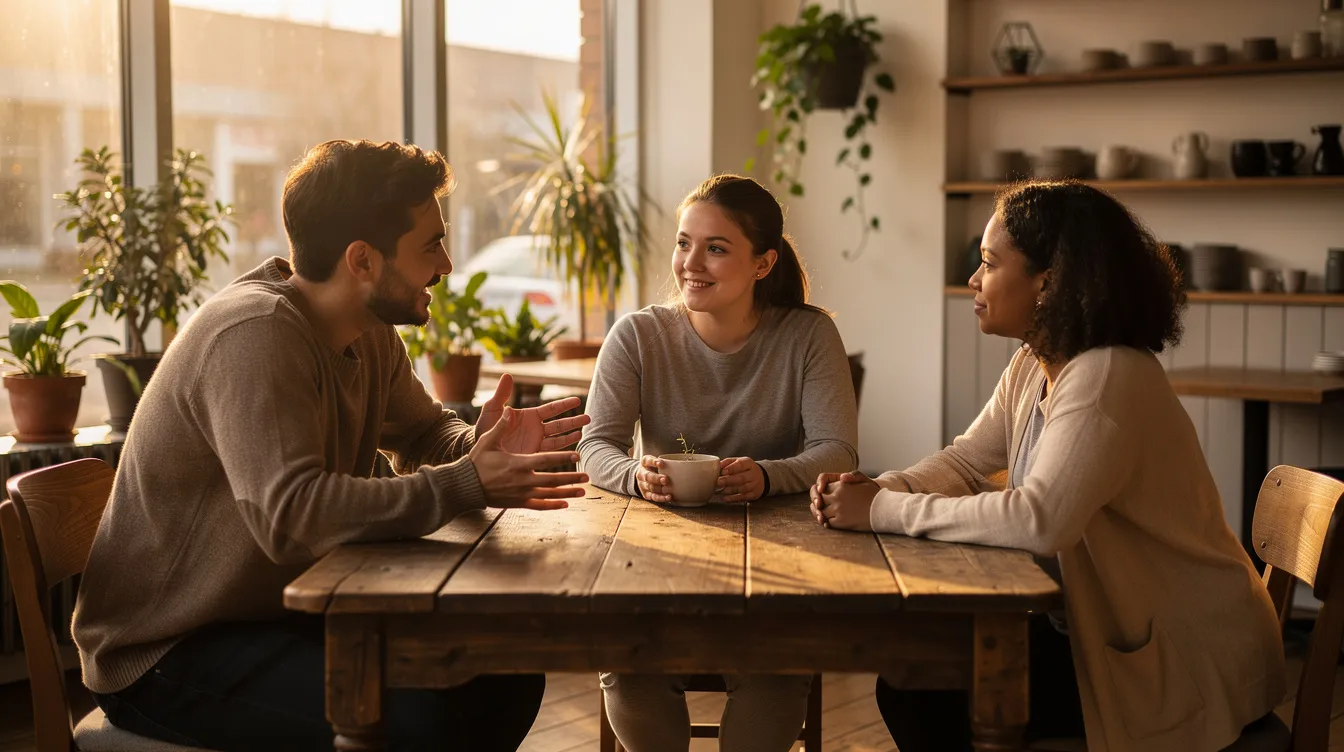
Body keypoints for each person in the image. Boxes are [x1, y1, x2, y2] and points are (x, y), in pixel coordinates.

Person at [72, 139, 591, 752]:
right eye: (431, 245)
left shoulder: (365, 334)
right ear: (363, 261)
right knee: (429, 721)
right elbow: (292, 517)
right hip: (167, 651)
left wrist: (483, 443)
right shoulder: (254, 335)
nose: (447, 265)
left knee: (505, 672)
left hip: (271, 618)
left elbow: (425, 435)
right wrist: (470, 481)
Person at [811, 180, 1287, 752]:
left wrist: (883, 509)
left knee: (924, 691)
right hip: (1113, 636)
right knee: (918, 678)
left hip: (1184, 659)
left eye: (988, 263)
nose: (972, 280)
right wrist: (877, 488)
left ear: (1049, 280)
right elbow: (966, 460)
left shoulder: (1107, 375)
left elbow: (1041, 521)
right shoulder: (1035, 364)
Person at [578, 174, 859, 752]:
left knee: (777, 675)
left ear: (763, 264)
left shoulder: (809, 335)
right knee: (632, 670)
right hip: (654, 562)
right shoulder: (635, 336)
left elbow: (839, 451)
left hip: (775, 562)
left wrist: (766, 476)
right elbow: (593, 446)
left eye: (716, 247)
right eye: (684, 243)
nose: (690, 263)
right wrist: (637, 475)